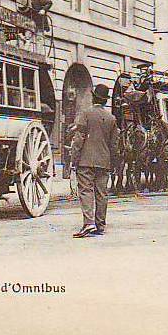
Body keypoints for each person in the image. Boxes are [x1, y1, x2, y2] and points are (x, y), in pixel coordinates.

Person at [69, 83, 120, 238]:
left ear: (93, 97)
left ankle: (88, 223)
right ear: (105, 101)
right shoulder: (111, 118)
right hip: (104, 162)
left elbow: (79, 139)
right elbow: (114, 144)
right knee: (102, 193)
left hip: (85, 160)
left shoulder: (85, 114)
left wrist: (74, 159)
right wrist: (113, 163)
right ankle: (100, 225)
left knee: (85, 191)